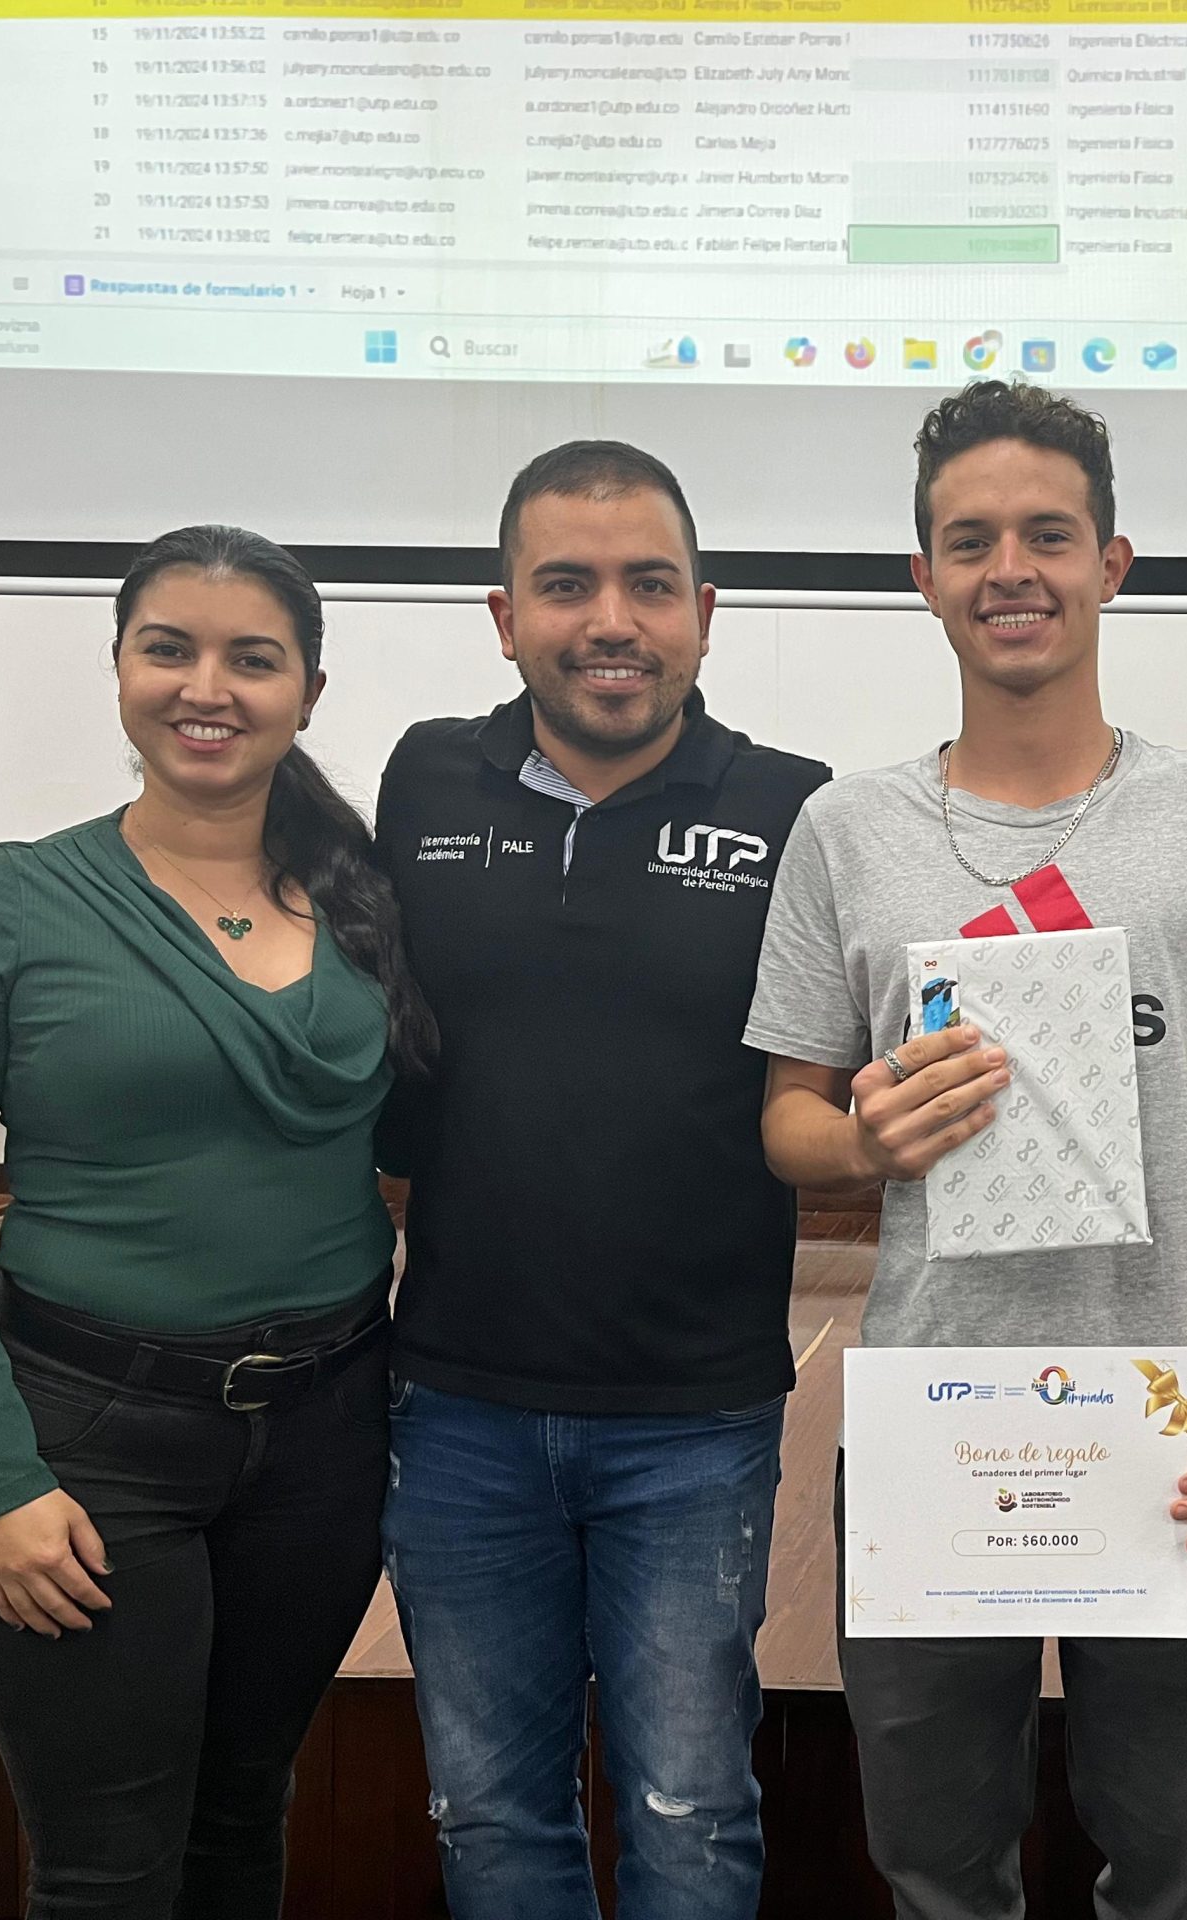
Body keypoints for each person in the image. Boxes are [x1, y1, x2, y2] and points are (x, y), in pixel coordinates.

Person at [744, 379, 1187, 1920]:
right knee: (934, 1856)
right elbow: (788, 1120)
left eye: (1048, 535)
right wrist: (867, 1131)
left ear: (1114, 561)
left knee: (1175, 1853)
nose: (1012, 567)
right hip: (940, 1415)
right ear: (922, 577)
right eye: (970, 539)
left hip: (1174, 1426)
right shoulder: (846, 831)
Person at [0, 526, 431, 1918]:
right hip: (84, 1449)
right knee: (108, 1868)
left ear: (307, 689)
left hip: (322, 1444)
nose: (207, 687)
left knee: (244, 1820)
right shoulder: (5, 906)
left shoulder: (365, 908)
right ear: (119, 667)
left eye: (253, 658)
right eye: (168, 648)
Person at [370, 441, 829, 1920]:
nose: (609, 620)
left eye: (648, 584)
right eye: (565, 586)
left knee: (692, 1818)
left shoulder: (794, 810)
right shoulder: (424, 777)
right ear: (503, 616)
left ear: (709, 611)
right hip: (455, 1412)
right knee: (491, 1818)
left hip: (694, 1418)